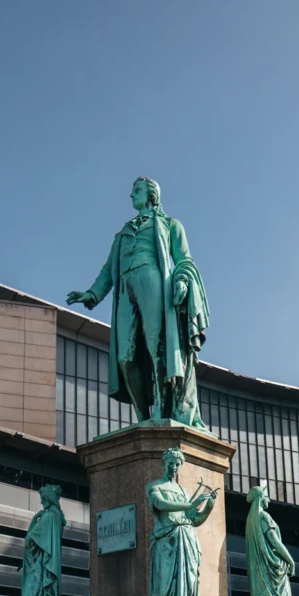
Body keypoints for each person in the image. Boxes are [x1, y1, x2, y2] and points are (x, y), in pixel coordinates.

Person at [67, 177, 209, 429]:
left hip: (153, 282)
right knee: (125, 356)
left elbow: (184, 259)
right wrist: (92, 294)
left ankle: (161, 410)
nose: (132, 195)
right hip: (125, 289)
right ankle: (142, 419)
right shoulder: (123, 233)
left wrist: (182, 281)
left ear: (152, 195)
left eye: (137, 191)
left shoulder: (170, 225)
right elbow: (108, 269)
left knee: (157, 348)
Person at [142, 448, 216, 596]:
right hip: (166, 543)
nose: (173, 467)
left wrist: (208, 507)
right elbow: (160, 504)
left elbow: (193, 519)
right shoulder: (155, 486)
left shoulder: (183, 490)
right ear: (164, 464)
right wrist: (190, 504)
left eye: (177, 464)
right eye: (170, 463)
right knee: (165, 592)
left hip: (187, 541)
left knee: (187, 591)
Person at [245, 482, 296, 596]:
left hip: (263, 574)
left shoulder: (251, 521)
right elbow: (274, 542)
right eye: (266, 496)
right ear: (260, 498)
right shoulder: (264, 517)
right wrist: (290, 560)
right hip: (274, 573)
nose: (269, 499)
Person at [19, 484, 68, 596]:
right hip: (45, 573)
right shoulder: (57, 518)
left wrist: (34, 520)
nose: (41, 502)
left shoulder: (47, 517)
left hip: (39, 574)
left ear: (48, 499)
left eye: (43, 499)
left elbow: (29, 542)